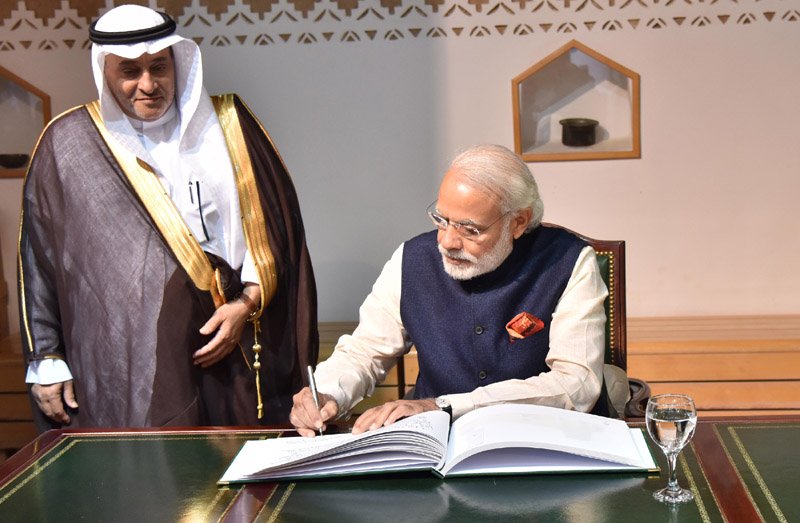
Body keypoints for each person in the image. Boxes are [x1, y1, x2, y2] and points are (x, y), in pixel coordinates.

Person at [18, 5, 317, 430]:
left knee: (244, 462)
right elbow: (40, 258)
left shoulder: (230, 125)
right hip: (133, 365)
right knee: (156, 466)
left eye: (159, 66)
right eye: (129, 71)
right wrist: (46, 356)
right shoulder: (69, 144)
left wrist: (245, 305)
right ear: (105, 71)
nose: (148, 84)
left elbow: (277, 230)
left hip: (236, 346)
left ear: (178, 62)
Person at [291, 144, 608, 437]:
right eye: (442, 220)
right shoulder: (412, 260)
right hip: (436, 443)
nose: (447, 242)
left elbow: (576, 383)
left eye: (470, 230)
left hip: (545, 441)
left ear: (518, 222)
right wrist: (328, 393)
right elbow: (364, 351)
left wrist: (445, 406)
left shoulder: (568, 261)